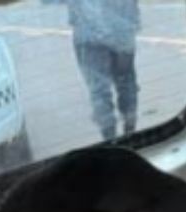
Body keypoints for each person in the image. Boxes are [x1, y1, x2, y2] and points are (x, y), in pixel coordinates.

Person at [52, 0, 141, 141]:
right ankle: (131, 131)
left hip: (88, 32)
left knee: (99, 90)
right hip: (122, 29)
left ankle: (109, 138)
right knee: (126, 81)